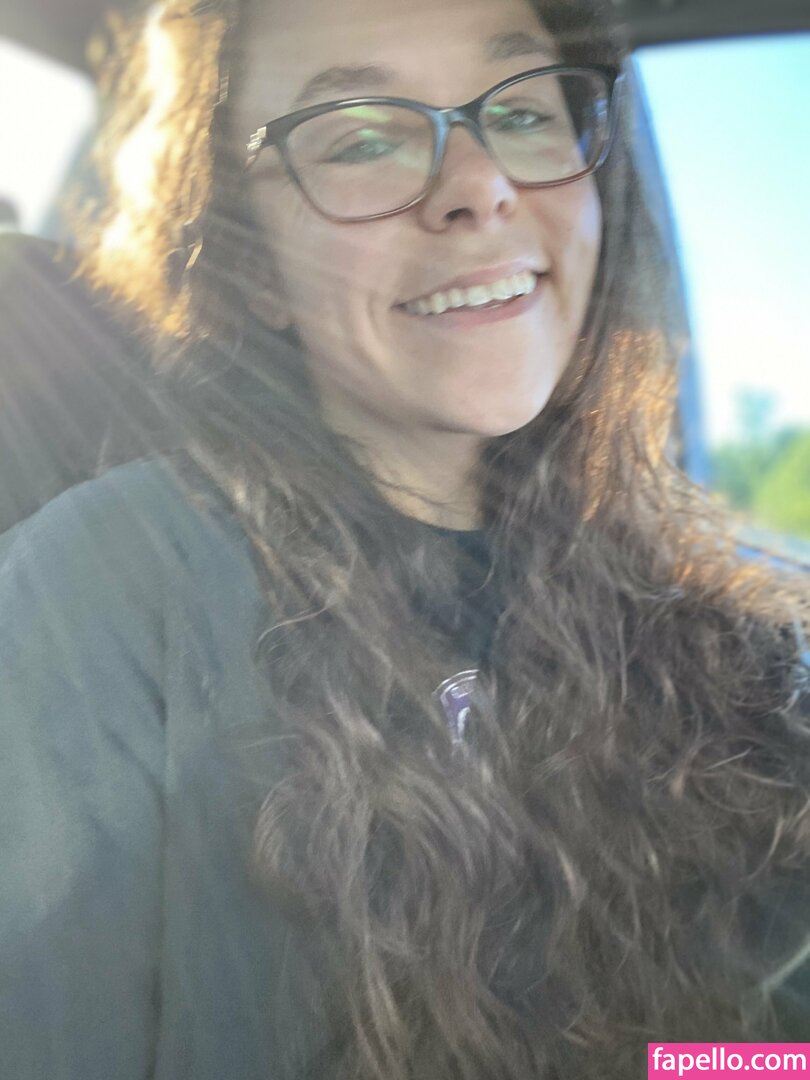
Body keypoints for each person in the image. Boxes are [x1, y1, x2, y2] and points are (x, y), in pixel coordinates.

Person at [1, 0, 809, 1077]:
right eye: (362, 138)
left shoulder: (718, 636)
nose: (480, 183)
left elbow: (738, 1053)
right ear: (250, 263)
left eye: (521, 112)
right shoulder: (108, 593)